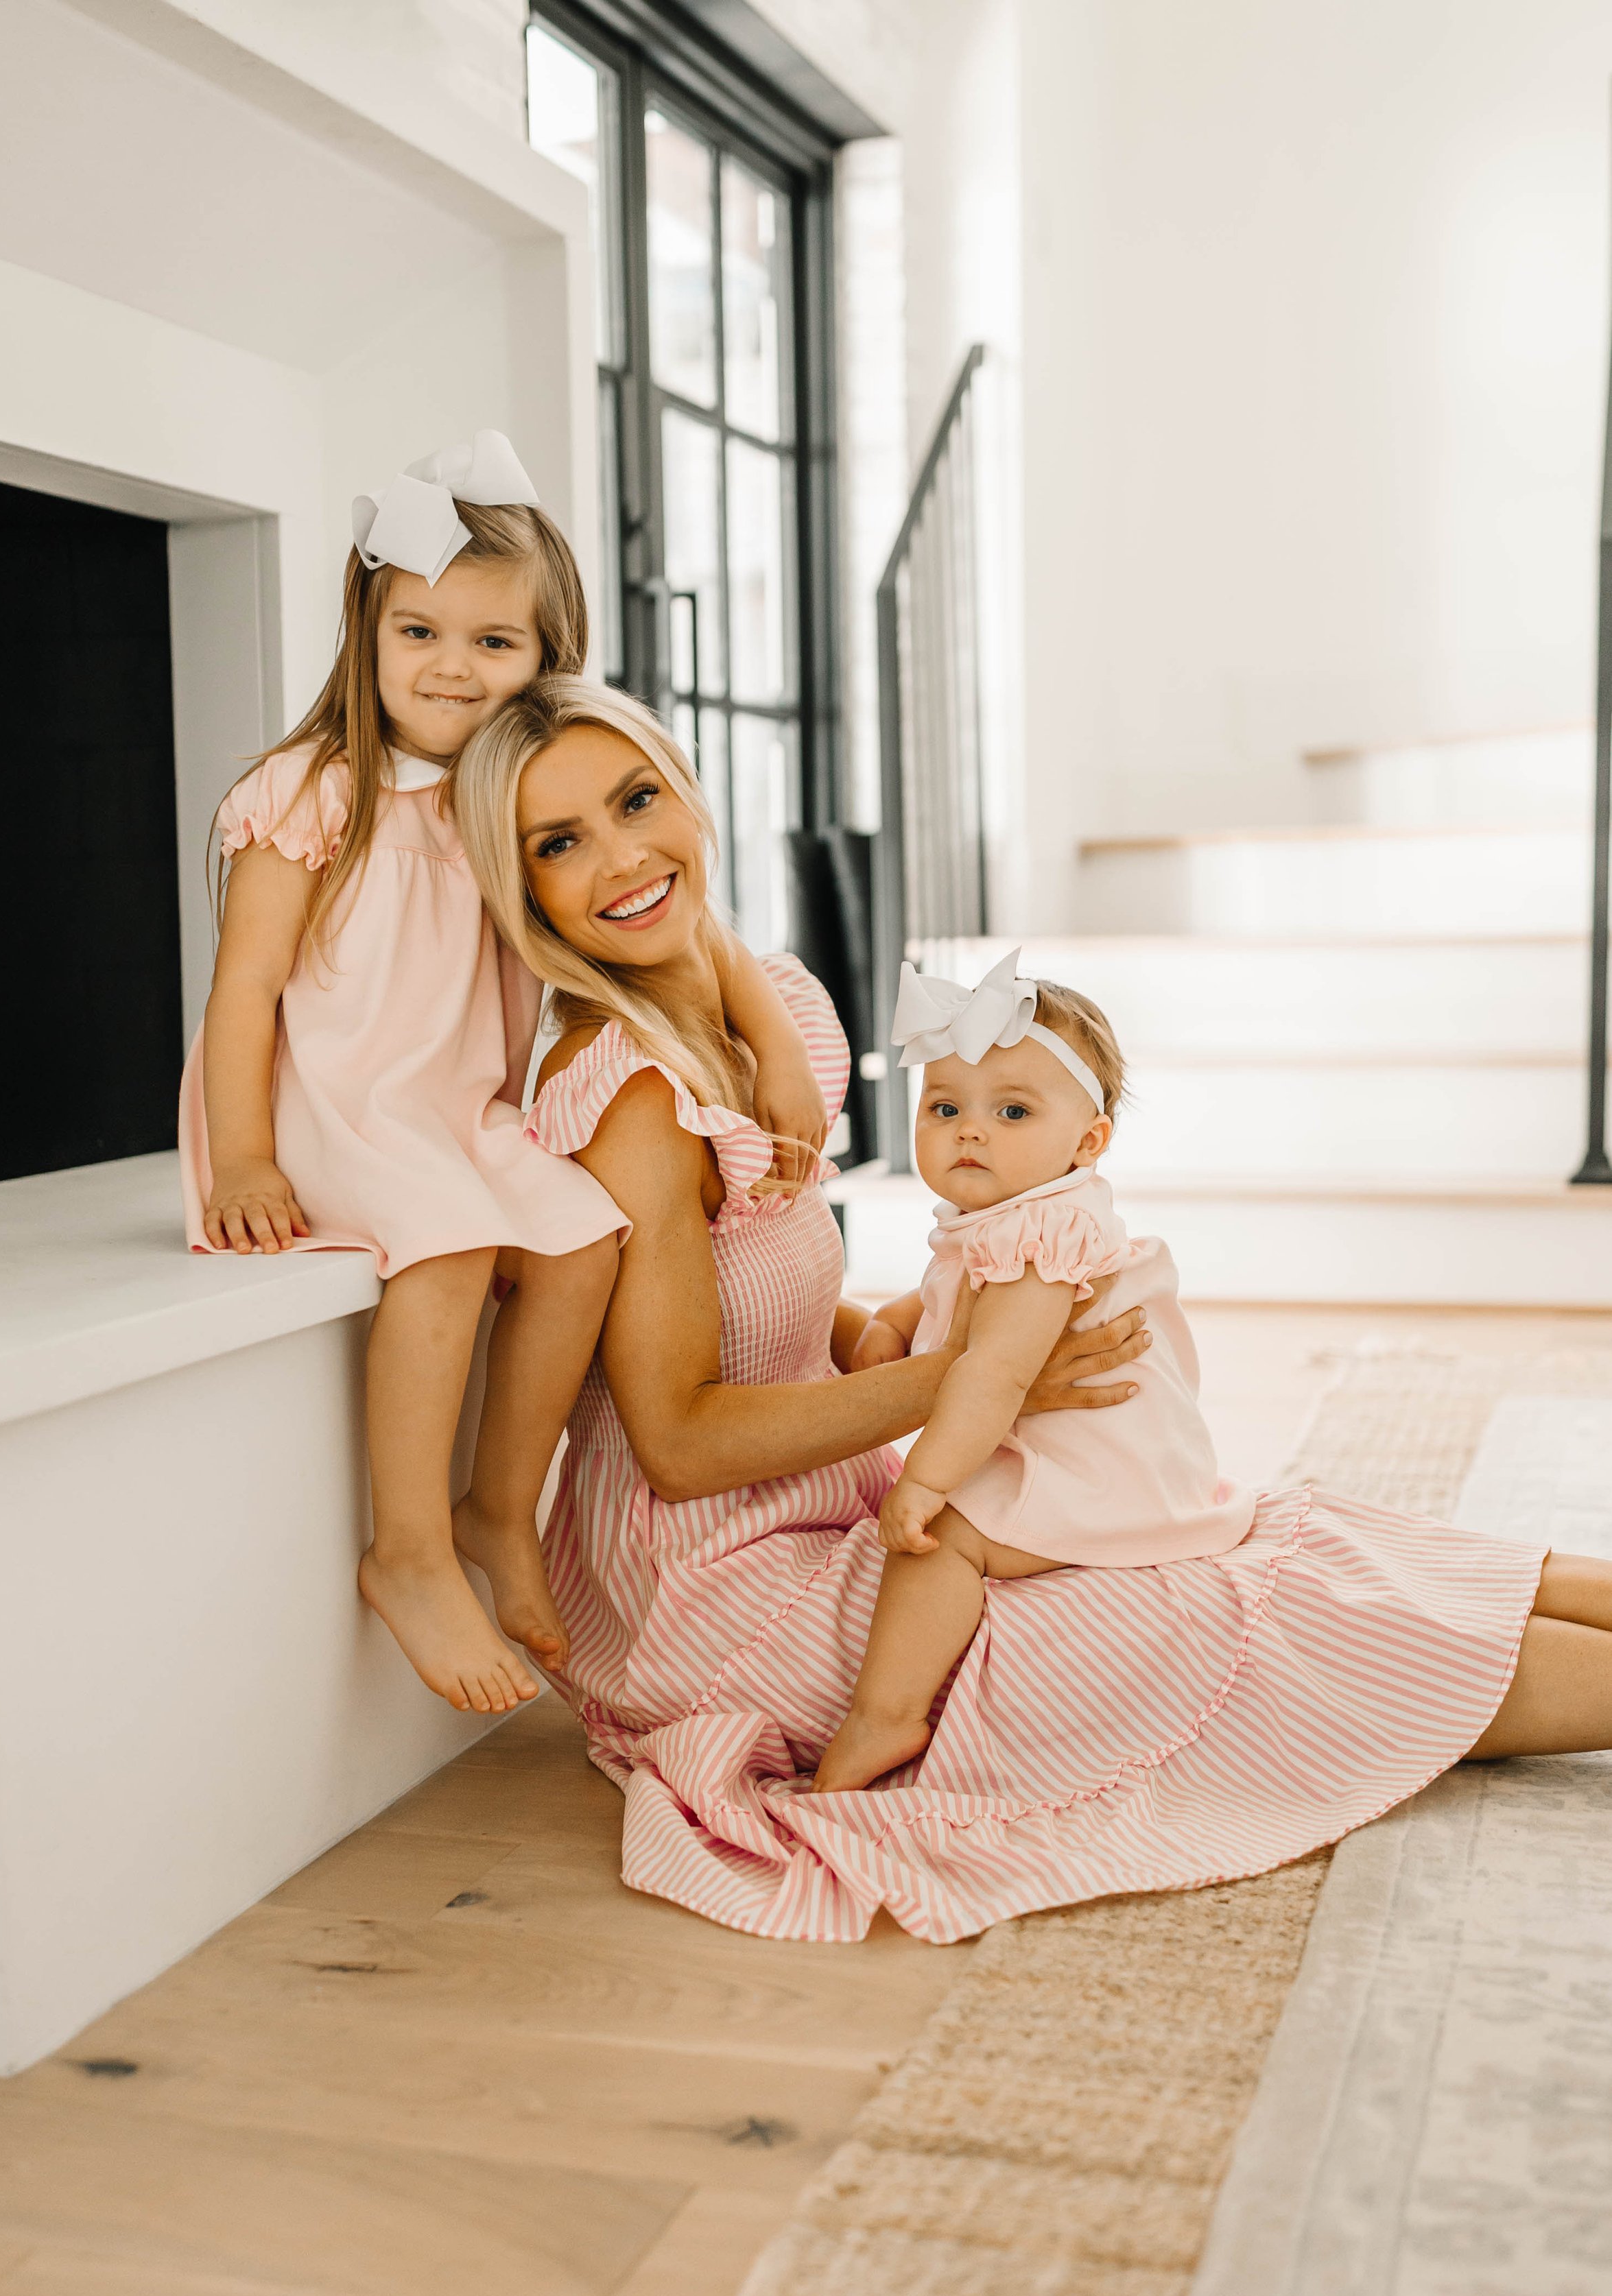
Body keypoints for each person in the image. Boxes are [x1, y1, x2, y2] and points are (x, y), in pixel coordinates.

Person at [458, 673, 1612, 1946]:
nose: (622, 858)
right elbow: (676, 1443)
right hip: (719, 1589)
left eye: (637, 801)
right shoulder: (634, 1100)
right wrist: (976, 1377)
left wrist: (906, 1339)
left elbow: (772, 1306)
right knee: (1195, 1615)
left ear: (688, 795)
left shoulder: (765, 1016)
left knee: (1278, 1533)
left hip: (832, 1502)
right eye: (559, 843)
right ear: (524, 890)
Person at [179, 438, 825, 1719]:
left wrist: (782, 1051)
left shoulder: (508, 797)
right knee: (450, 1250)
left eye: (494, 642)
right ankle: (409, 1548)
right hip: (335, 1110)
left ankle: (498, 1503)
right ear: (366, 634)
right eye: (417, 632)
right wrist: (242, 1154)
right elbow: (243, 988)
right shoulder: (310, 792)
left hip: (457, 1112)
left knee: (584, 1238)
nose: (451, 667)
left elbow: (701, 930)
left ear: (547, 657)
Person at [813, 949, 1253, 1791]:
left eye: (1011, 1111)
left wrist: (924, 1482)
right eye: (944, 1107)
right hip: (1104, 1448)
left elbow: (996, 1374)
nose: (969, 1130)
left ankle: (887, 1716)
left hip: (1099, 1474)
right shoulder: (1018, 1214)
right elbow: (949, 1289)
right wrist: (897, 1321)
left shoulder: (1036, 1236)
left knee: (940, 1541)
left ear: (1087, 1142)